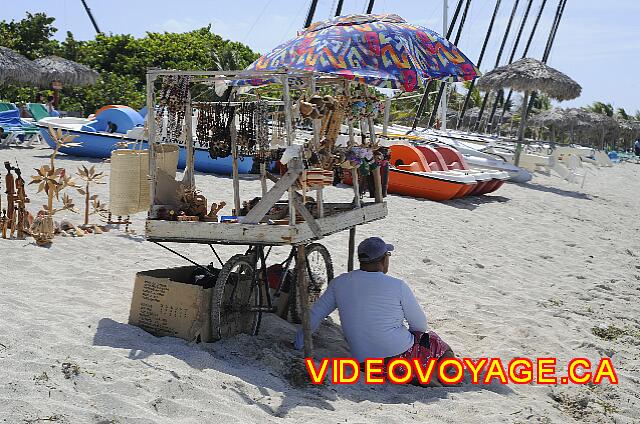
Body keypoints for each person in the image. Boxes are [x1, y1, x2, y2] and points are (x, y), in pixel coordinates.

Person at [294, 236, 454, 386]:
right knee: (435, 342)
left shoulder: (339, 283)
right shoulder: (397, 285)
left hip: (365, 364)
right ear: (384, 260)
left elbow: (314, 316)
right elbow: (419, 325)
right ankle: (443, 377)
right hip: (398, 355)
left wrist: (298, 344)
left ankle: (415, 372)